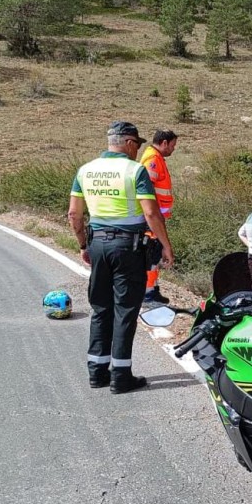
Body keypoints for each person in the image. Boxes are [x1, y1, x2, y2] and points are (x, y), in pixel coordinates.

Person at [68, 121, 174, 393]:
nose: (138, 150)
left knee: (101, 308)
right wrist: (165, 245)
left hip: (98, 244)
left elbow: (74, 215)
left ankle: (97, 372)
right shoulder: (135, 171)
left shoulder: (85, 170)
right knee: (125, 310)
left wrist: (83, 245)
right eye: (137, 145)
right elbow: (151, 213)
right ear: (128, 143)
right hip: (128, 247)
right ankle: (121, 376)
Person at [139, 128, 178, 304]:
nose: (173, 149)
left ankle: (152, 290)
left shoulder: (155, 157)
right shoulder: (153, 159)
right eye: (173, 145)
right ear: (164, 143)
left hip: (156, 216)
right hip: (152, 217)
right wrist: (154, 215)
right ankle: (148, 293)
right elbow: (148, 188)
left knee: (154, 254)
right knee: (151, 255)